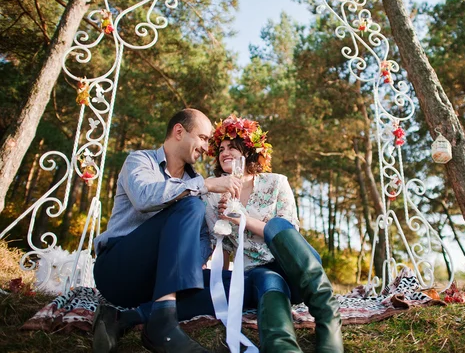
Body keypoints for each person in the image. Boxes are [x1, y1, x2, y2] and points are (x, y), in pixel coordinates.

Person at [91, 108, 242, 353]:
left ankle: (128, 318)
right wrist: (202, 185)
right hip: (119, 272)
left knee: (244, 284)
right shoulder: (140, 161)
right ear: (179, 131)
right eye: (203, 138)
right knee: (191, 203)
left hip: (161, 283)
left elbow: (203, 240)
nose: (207, 147)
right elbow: (143, 198)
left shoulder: (197, 185)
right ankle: (163, 327)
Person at [203, 114, 344, 352]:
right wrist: (222, 282)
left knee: (277, 225)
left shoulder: (276, 182)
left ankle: (328, 317)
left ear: (248, 151)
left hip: (297, 269)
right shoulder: (215, 197)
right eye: (221, 148)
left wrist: (243, 219)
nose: (225, 152)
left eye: (232, 147)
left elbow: (290, 234)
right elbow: (223, 251)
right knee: (269, 280)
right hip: (257, 275)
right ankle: (282, 347)